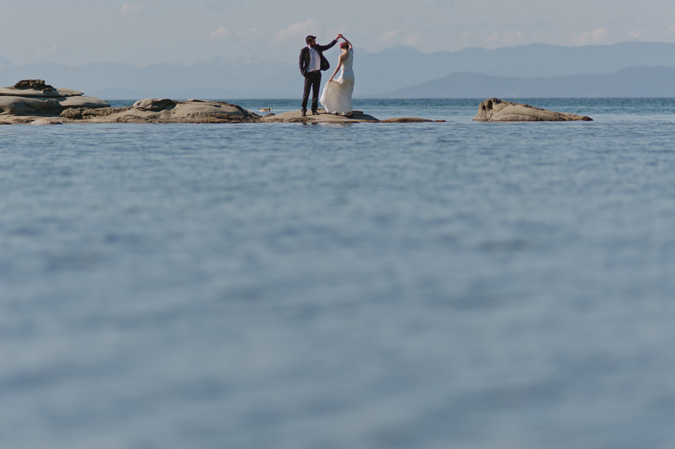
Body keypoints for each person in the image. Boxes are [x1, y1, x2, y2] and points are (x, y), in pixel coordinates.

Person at [299, 34, 341, 116]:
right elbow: (301, 63)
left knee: (316, 92)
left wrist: (336, 39)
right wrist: (303, 73)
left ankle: (314, 109)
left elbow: (328, 46)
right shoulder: (304, 50)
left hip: (317, 73)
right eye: (313, 41)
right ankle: (303, 109)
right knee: (306, 92)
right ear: (309, 42)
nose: (315, 42)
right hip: (308, 74)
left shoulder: (318, 48)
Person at [320, 36, 354, 115]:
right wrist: (343, 37)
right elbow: (350, 44)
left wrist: (331, 77)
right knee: (348, 92)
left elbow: (338, 67)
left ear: (341, 48)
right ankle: (349, 110)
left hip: (344, 75)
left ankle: (335, 108)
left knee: (336, 90)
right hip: (351, 75)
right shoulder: (351, 52)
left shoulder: (341, 56)